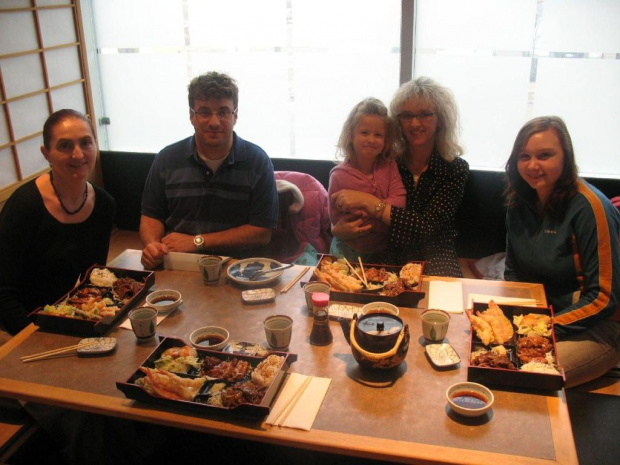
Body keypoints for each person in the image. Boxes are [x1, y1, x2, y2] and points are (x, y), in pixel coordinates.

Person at [504, 116, 620, 388]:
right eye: (524, 156)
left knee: (523, 374)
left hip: (597, 327)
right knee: (484, 357)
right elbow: (513, 272)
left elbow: (604, 297)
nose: (533, 165)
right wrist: (507, 319)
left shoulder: (590, 207)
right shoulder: (518, 201)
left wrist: (540, 329)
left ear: (565, 157)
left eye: (544, 155)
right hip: (539, 318)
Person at [140, 71, 278, 269]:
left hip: (238, 268)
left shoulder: (257, 161)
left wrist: (197, 241)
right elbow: (151, 216)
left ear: (235, 115)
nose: (214, 122)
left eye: (223, 112)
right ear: (191, 115)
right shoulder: (167, 159)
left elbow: (261, 232)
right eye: (204, 112)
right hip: (177, 263)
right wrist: (152, 245)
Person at [331, 77, 469, 276]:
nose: (415, 123)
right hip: (388, 247)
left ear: (440, 120)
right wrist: (336, 230)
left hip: (435, 251)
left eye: (424, 114)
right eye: (406, 115)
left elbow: (426, 226)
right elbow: (345, 206)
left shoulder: (454, 169)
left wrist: (371, 203)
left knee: (444, 303)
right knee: (365, 293)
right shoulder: (386, 162)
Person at [0, 109, 115, 336]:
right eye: (64, 146)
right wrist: (33, 336)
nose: (78, 154)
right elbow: (2, 293)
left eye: (85, 143)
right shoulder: (24, 206)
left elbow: (92, 278)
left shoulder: (103, 203)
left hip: (62, 317)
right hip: (15, 325)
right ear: (46, 153)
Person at [328, 97, 406, 262]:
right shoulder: (339, 175)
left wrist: (363, 209)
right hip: (347, 250)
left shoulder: (389, 166)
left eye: (378, 135)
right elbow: (335, 218)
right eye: (364, 133)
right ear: (351, 135)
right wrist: (381, 215)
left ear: (386, 141)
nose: (371, 140)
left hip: (382, 249)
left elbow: (399, 204)